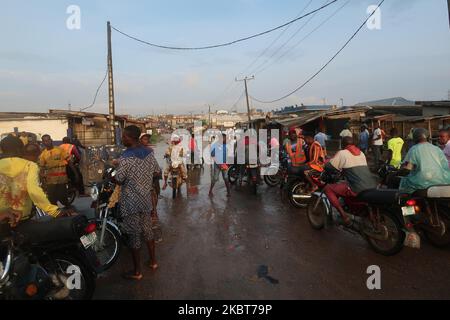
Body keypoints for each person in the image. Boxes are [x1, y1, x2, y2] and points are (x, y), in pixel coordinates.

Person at [114, 126, 160, 281]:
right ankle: (153, 262)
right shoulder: (149, 153)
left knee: (134, 233)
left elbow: (119, 179)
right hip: (145, 199)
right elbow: (157, 171)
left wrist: (113, 173)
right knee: (147, 229)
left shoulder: (126, 157)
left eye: (124, 137)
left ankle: (137, 272)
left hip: (131, 201)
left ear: (130, 138)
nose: (122, 139)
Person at [0, 136, 66, 222]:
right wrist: (54, 212)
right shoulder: (30, 165)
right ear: (20, 149)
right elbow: (34, 191)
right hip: (22, 217)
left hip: (3, 217)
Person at [323, 136, 377, 226]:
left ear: (343, 144)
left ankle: (344, 216)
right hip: (371, 185)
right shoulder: (362, 153)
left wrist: (326, 162)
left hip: (357, 188)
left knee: (328, 188)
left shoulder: (342, 153)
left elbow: (330, 166)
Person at [400, 128, 450, 194]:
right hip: (442, 183)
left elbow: (407, 168)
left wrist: (400, 171)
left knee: (403, 184)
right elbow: (445, 167)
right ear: (428, 137)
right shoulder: (437, 149)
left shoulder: (414, 149)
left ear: (415, 138)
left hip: (421, 184)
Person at [39, 135, 71, 207]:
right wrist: (42, 179)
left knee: (63, 197)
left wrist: (75, 173)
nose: (47, 142)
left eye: (48, 140)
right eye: (45, 141)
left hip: (61, 179)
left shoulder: (59, 150)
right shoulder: (43, 155)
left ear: (51, 140)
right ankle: (56, 214)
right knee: (52, 199)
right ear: (43, 142)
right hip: (50, 181)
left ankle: (69, 211)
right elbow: (42, 168)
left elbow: (69, 161)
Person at [140, 133, 161, 222]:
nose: (146, 140)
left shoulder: (149, 150)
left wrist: (156, 171)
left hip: (148, 174)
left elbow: (153, 162)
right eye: (144, 139)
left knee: (152, 191)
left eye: (147, 139)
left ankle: (154, 212)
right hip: (139, 175)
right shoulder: (134, 150)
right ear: (140, 140)